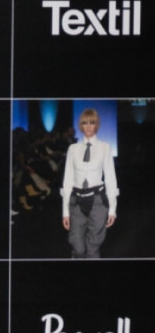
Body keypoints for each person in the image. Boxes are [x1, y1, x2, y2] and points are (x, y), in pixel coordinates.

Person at [61, 108, 118, 258]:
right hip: (76, 201)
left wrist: (112, 209)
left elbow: (110, 179)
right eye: (85, 123)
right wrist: (65, 212)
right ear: (81, 125)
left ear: (96, 125)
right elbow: (68, 180)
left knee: (93, 249)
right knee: (78, 249)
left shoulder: (105, 147)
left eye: (91, 123)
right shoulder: (73, 149)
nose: (88, 126)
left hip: (98, 201)